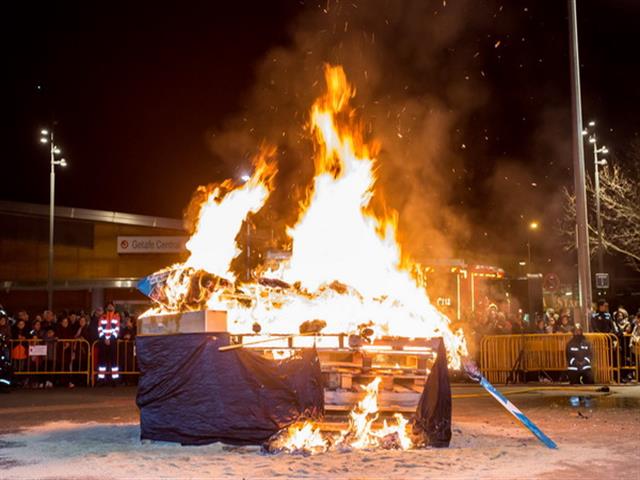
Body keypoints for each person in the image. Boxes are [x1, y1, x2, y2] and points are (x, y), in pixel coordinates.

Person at [97, 302, 121, 383]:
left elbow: (117, 330)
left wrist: (110, 339)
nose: (110, 307)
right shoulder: (102, 317)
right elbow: (100, 329)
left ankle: (114, 380)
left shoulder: (116, 317)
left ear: (114, 307)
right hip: (103, 342)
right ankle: (101, 379)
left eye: (111, 306)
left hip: (112, 342)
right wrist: (105, 339)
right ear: (106, 307)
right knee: (102, 361)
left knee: (113, 361)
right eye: (109, 306)